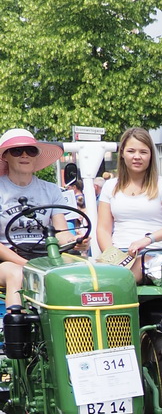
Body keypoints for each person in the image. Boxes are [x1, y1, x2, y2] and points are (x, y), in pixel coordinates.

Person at [97, 127, 162, 284]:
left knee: (143, 268)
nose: (137, 157)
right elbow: (103, 229)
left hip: (157, 252)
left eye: (143, 152)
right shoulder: (110, 186)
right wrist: (112, 256)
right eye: (131, 151)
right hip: (120, 254)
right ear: (122, 153)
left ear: (150, 156)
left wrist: (148, 240)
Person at [0, 129, 70, 307]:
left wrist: (75, 240)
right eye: (17, 151)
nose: (25, 155)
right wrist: (27, 264)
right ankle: (17, 330)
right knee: (17, 273)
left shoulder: (51, 190)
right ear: (5, 156)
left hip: (44, 256)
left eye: (31, 150)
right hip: (7, 259)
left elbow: (61, 233)